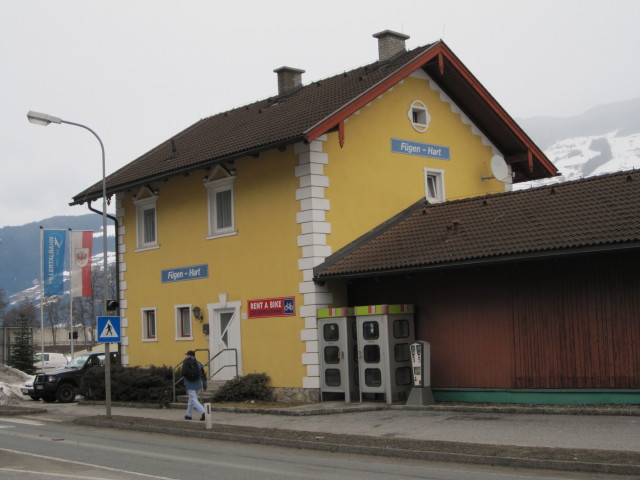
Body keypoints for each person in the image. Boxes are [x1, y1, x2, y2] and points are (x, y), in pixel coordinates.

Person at [182, 350, 207, 421]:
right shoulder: (199, 364)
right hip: (198, 384)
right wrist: (205, 386)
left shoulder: (186, 363)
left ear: (189, 355)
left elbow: (183, 373)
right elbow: (203, 376)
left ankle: (204, 412)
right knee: (191, 399)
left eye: (187, 355)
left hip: (189, 384)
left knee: (193, 399)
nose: (186, 356)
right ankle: (188, 415)